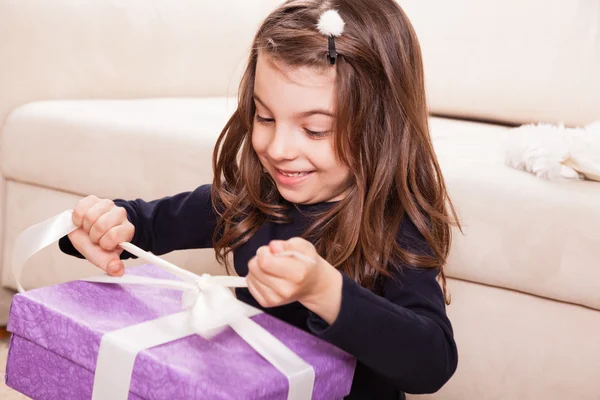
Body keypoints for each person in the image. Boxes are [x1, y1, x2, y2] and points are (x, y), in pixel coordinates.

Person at [59, 0, 460, 398]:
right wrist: (105, 223)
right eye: (264, 117)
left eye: (315, 129)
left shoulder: (395, 224)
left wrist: (326, 291)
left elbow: (432, 362)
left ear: (380, 129)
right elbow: (145, 223)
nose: (279, 147)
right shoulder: (251, 199)